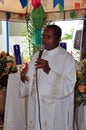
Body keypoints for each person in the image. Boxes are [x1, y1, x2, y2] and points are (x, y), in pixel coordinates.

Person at [20, 25, 76, 130]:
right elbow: (30, 82)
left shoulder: (67, 59)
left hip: (55, 108)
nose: (44, 40)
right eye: (43, 36)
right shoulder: (37, 55)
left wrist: (49, 70)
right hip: (37, 106)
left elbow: (69, 86)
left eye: (48, 37)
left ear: (58, 39)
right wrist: (24, 78)